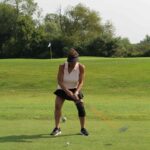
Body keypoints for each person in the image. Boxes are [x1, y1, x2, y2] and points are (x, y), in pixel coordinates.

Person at [50, 48, 89, 136]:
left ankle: (83, 129)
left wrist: (76, 92)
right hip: (62, 88)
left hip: (75, 88)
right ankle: (57, 128)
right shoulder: (62, 66)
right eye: (70, 61)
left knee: (81, 107)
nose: (71, 63)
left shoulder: (81, 67)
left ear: (77, 60)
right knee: (57, 106)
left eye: (73, 61)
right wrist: (67, 91)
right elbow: (59, 81)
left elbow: (81, 82)